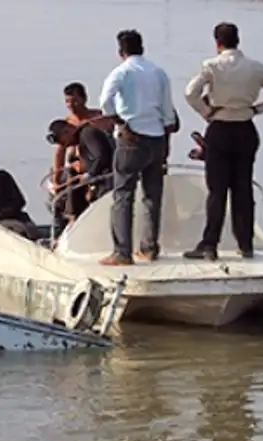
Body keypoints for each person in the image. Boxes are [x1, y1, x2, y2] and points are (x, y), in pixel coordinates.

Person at [182, 22, 263, 260]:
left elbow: (190, 92)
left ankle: (210, 245)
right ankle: (246, 244)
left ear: (217, 43)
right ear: (238, 41)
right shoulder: (256, 68)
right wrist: (259, 108)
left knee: (217, 191)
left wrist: (205, 111)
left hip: (219, 128)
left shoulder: (211, 66)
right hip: (245, 128)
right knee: (242, 189)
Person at [97, 29, 178, 266]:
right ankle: (149, 248)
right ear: (142, 47)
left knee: (123, 195)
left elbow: (105, 103)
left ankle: (122, 253)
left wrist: (120, 122)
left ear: (120, 51)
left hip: (131, 139)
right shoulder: (159, 73)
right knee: (152, 196)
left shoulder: (120, 73)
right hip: (157, 138)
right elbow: (168, 113)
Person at [46, 118, 115, 204]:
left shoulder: (87, 133)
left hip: (110, 182)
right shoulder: (82, 139)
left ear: (67, 131)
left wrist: (90, 174)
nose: (66, 145)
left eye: (63, 142)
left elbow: (102, 156)